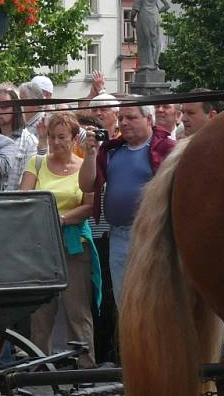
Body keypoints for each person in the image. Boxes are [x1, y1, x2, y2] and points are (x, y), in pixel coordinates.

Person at [21, 113, 98, 368]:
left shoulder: (85, 165)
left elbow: (89, 207)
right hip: (41, 243)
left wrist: (62, 219)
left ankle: (86, 366)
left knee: (77, 309)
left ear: (75, 138)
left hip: (75, 243)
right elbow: (24, 199)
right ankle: (38, 366)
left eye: (62, 137)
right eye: (52, 137)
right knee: (41, 312)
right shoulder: (37, 162)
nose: (56, 142)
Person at [78, 101, 175, 306]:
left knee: (153, 303)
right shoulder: (112, 150)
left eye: (131, 118)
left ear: (149, 119)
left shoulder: (166, 149)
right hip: (118, 236)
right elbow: (87, 185)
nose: (124, 122)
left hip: (153, 237)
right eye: (121, 118)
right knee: (124, 303)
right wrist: (91, 153)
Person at [0, 83, 39, 190]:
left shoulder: (30, 142)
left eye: (4, 107)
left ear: (16, 108)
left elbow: (28, 183)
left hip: (15, 203)